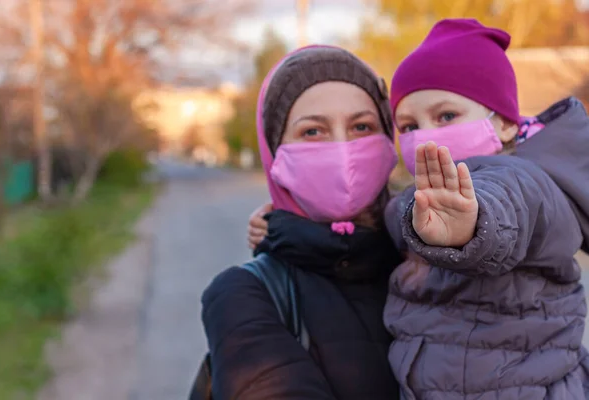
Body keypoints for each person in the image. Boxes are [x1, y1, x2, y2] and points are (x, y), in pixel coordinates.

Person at [249, 19, 589, 399]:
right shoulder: (416, 200)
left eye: (446, 116)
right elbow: (393, 213)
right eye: (409, 125)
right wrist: (282, 224)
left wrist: (472, 224)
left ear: (506, 123)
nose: (426, 134)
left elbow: (512, 206)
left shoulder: (525, 177)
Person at [201, 45, 403, 400]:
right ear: (274, 152)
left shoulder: (433, 264)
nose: (343, 148)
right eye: (313, 132)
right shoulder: (242, 296)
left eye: (362, 126)